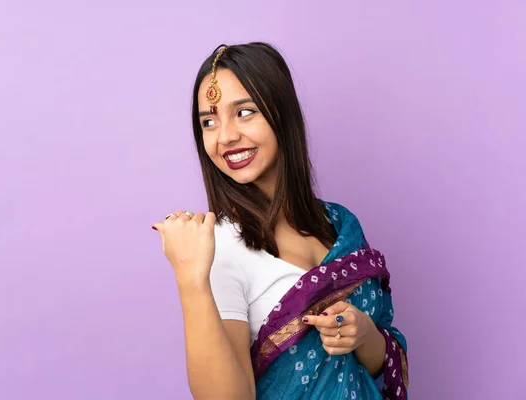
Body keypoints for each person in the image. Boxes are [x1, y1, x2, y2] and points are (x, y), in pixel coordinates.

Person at [151, 42, 409, 400]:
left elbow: (384, 363)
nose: (225, 136)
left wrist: (363, 334)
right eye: (209, 121)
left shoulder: (339, 223)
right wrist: (190, 280)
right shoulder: (219, 247)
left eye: (244, 113)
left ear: (282, 112)